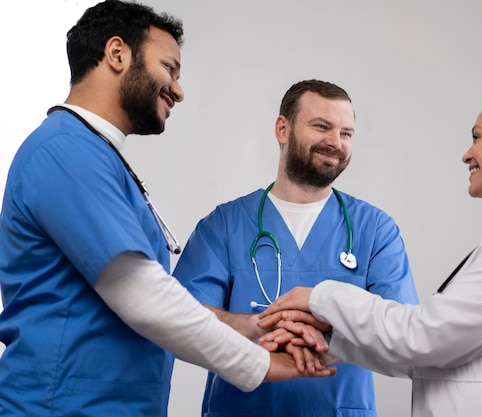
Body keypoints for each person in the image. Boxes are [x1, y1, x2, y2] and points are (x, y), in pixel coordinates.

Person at [0, 2, 332, 416]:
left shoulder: (95, 155)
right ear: (117, 54)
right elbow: (144, 297)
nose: (178, 89)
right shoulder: (65, 152)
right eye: (170, 68)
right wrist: (263, 363)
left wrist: (251, 327)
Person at [258, 86, 482, 417]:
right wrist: (329, 337)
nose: (467, 154)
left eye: (478, 137)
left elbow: (422, 338)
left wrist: (320, 296)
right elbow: (430, 354)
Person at [173, 79, 419, 416]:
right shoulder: (225, 225)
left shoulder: (375, 230)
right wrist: (260, 325)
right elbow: (182, 317)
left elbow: (402, 332)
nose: (335, 142)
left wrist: (321, 337)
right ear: (282, 129)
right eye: (322, 126)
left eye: (346, 133)